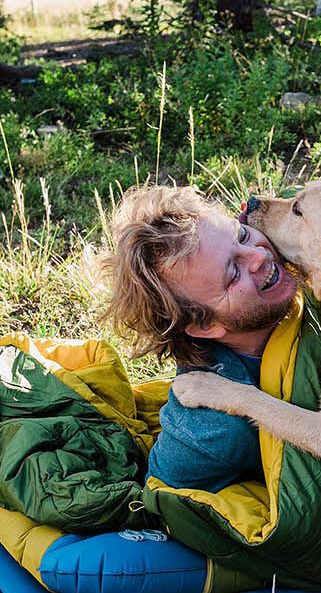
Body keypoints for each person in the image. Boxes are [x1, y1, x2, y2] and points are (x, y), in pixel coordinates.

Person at [98, 184, 295, 491]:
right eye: (232, 274)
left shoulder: (293, 247)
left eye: (240, 235)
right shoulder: (208, 432)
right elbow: (162, 497)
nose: (257, 255)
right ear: (204, 327)